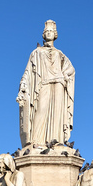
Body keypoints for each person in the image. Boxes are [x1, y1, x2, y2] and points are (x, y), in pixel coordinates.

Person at [16, 20, 76, 148]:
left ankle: (57, 141)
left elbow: (71, 69)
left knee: (57, 113)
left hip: (59, 83)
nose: (49, 33)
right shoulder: (36, 52)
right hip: (44, 83)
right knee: (41, 109)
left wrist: (65, 75)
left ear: (55, 34)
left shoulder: (60, 54)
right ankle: (36, 140)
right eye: (47, 31)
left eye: (51, 31)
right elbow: (28, 71)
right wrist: (23, 85)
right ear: (44, 34)